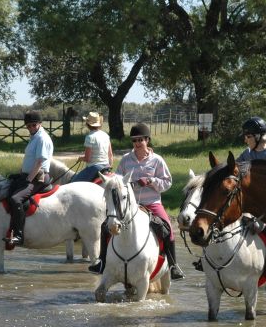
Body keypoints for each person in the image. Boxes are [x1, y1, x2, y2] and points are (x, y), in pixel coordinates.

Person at [88, 123, 184, 280]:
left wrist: (151, 180)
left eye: (140, 140)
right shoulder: (126, 159)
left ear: (147, 140)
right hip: (129, 206)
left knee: (167, 228)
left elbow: (167, 182)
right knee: (106, 226)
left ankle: (173, 266)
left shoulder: (157, 160)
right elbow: (117, 180)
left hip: (152, 203)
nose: (137, 144)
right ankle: (101, 261)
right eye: (134, 141)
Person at [237, 116, 266, 279]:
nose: (245, 139)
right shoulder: (246, 153)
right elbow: (235, 170)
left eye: (248, 136)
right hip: (249, 200)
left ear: (258, 137)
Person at [3, 110, 54, 247]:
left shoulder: (42, 138)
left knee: (16, 198)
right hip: (29, 175)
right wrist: (20, 174)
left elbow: (38, 162)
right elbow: (29, 160)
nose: (31, 128)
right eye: (28, 126)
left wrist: (28, 180)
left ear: (39, 124)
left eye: (33, 125)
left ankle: (18, 235)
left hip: (38, 177)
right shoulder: (34, 137)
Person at [70, 112, 114, 183]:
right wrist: (109, 168)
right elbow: (111, 155)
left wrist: (80, 158)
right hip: (106, 166)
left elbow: (87, 158)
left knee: (73, 182)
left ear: (88, 124)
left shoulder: (90, 137)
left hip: (94, 168)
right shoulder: (106, 135)